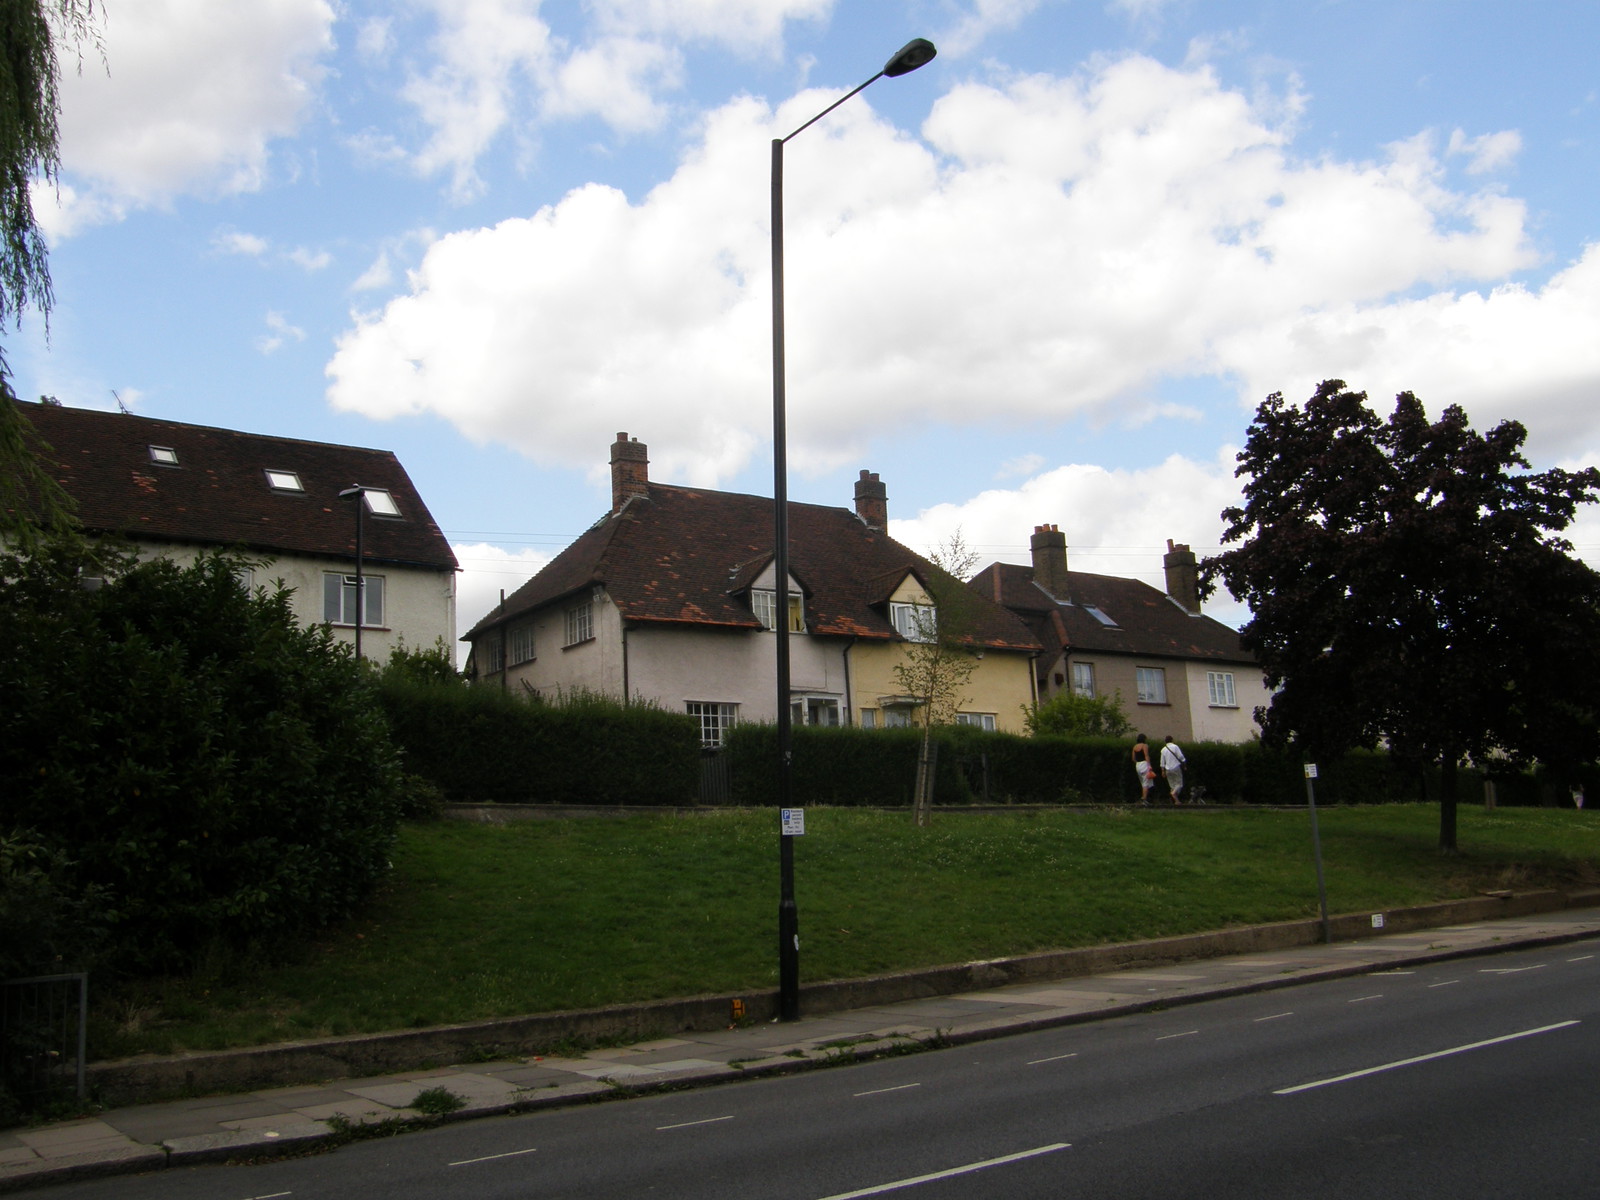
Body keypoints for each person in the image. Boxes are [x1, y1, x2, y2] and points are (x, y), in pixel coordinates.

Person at [1160, 735, 1187, 804]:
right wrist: (1184, 764)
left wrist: (1163, 771)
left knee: (1172, 785)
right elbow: (1181, 756)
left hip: (1167, 769)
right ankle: (1174, 794)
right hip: (1176, 767)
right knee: (1179, 784)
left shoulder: (1163, 749)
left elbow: (1162, 761)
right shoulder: (1175, 747)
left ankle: (1176, 801)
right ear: (1172, 740)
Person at [1131, 733, 1155, 804]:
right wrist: (1149, 765)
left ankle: (1144, 797)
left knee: (1143, 782)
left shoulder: (1135, 747)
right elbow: (1146, 756)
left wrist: (1137, 763)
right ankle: (1144, 798)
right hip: (1144, 764)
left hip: (1138, 765)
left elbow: (1133, 758)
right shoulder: (1145, 746)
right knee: (1146, 782)